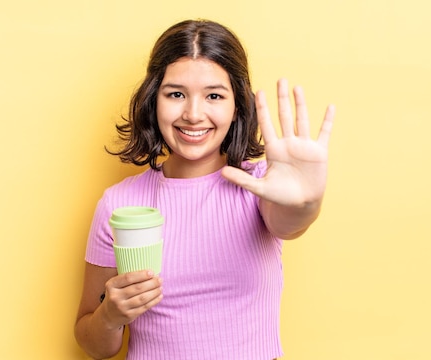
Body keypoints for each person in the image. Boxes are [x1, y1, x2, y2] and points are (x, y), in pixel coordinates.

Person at [74, 19, 335, 360]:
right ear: (155, 100)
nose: (193, 114)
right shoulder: (119, 204)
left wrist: (306, 202)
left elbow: (290, 220)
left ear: (236, 106)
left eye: (214, 95)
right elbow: (92, 341)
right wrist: (110, 316)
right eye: (176, 94)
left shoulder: (261, 187)